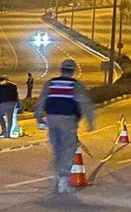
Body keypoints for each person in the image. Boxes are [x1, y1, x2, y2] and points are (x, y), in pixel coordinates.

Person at [35, 59, 96, 193]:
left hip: (52, 120)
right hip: (68, 120)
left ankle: (57, 176)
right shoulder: (75, 85)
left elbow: (41, 102)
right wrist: (90, 121)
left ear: (61, 70)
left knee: (57, 149)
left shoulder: (51, 83)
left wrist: (39, 119)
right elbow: (85, 103)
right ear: (73, 71)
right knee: (68, 149)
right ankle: (63, 180)